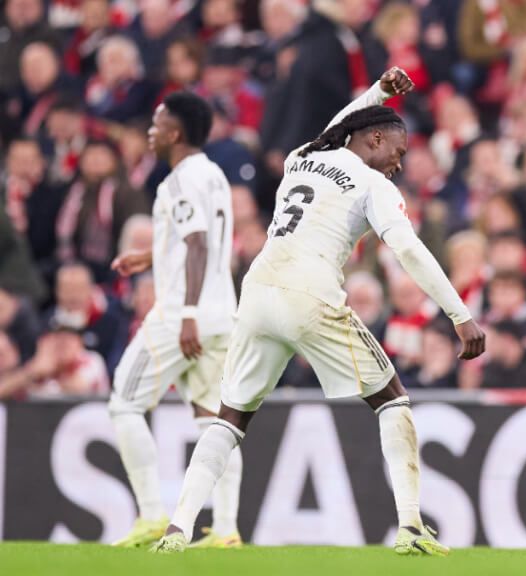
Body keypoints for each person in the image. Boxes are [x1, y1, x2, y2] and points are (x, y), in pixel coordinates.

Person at [153, 68, 485, 555]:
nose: (398, 162)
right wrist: (460, 314)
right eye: (398, 150)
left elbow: (337, 127)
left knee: (230, 417)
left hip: (259, 288)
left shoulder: (302, 158)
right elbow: (410, 251)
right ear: (374, 137)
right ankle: (411, 526)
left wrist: (379, 91)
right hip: (310, 292)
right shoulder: (374, 185)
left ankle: (177, 529)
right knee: (392, 400)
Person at [106, 91, 241, 549]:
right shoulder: (215, 176)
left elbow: (198, 243)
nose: (150, 129)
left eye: (158, 122)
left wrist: (186, 315)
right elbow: (199, 240)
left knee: (124, 403)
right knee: (213, 422)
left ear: (176, 133)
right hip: (223, 313)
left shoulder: (178, 181)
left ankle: (149, 515)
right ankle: (226, 529)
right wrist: (149, 256)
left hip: (186, 314)